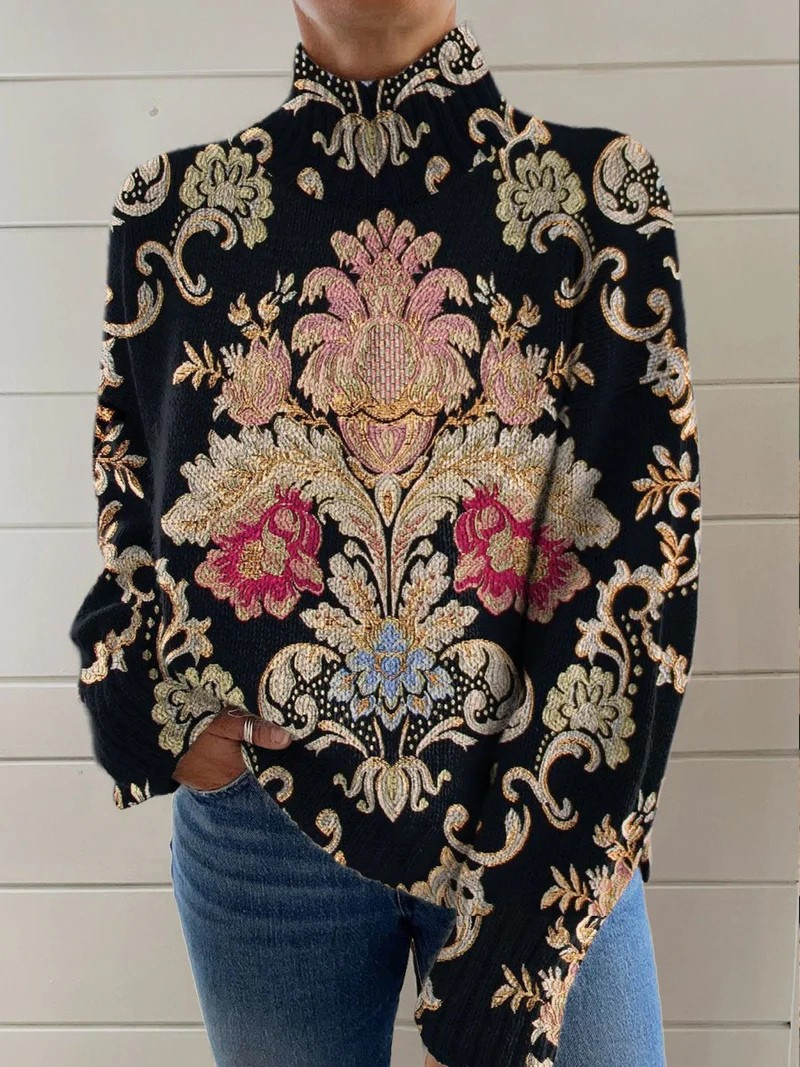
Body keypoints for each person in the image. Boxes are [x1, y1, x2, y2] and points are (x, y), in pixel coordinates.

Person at [69, 2, 701, 1065]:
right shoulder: (171, 217)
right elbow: (134, 508)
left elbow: (644, 556)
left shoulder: (597, 201)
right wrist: (144, 698)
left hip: (546, 806)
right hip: (263, 829)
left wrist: (534, 915)